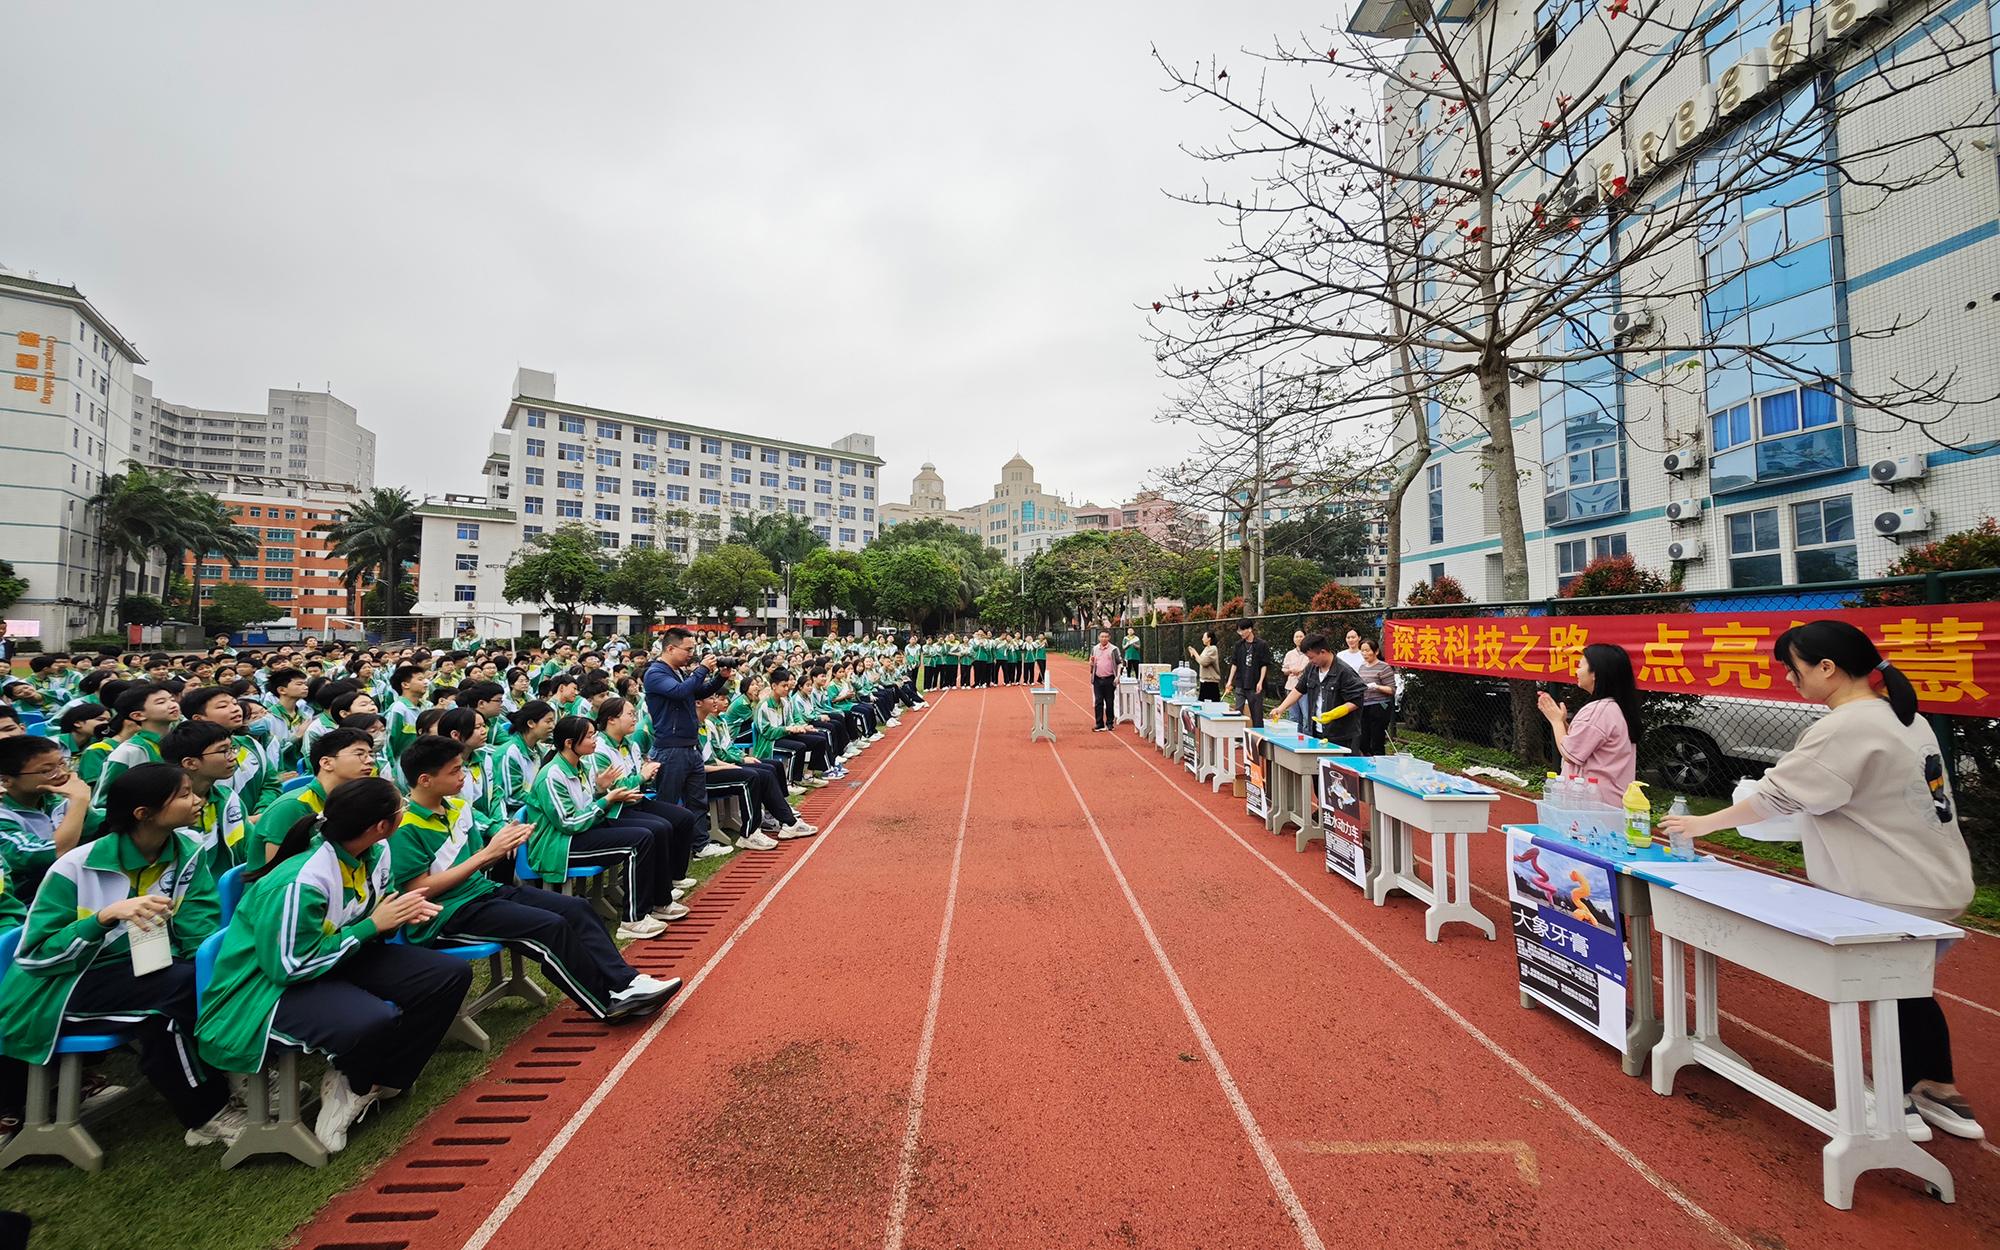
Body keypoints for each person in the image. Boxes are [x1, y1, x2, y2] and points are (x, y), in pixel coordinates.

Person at [1660, 620, 1980, 1140]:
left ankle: (1891, 1110)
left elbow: (1777, 796)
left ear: (1827, 668)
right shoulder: (1901, 716)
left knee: (1876, 991)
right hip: (1936, 880)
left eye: (1795, 668)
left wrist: (1701, 823)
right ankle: (1936, 1085)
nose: (1791, 679)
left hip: (1894, 888)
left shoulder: (1845, 726)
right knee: (1908, 988)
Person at [196, 776, 471, 1153]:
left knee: (447, 976)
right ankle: (352, 1084)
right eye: (400, 809)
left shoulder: (375, 851)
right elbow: (287, 967)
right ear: (380, 826)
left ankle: (374, 1081)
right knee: (371, 1020)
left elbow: (367, 907)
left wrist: (400, 910)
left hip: (337, 955)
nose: (406, 811)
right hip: (265, 986)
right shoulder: (301, 879)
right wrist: (374, 923)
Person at [0, 763, 240, 1149]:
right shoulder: (76, 867)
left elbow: (199, 924)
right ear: (143, 814)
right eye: (182, 795)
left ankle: (220, 1097)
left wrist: (210, 970)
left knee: (188, 992)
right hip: (60, 986)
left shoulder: (187, 848)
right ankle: (216, 1102)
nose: (197, 800)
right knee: (175, 992)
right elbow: (34, 956)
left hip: (141, 972)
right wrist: (101, 919)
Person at [391, 735, 681, 1022]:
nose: (463, 776)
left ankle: (626, 983)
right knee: (550, 926)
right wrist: (486, 855)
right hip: (446, 914)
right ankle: (606, 1002)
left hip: (483, 891)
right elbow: (419, 890)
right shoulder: (406, 827)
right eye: (454, 771)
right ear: (425, 779)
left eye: (462, 767)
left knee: (576, 908)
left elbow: (477, 859)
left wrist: (499, 848)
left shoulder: (457, 808)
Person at [524, 716, 692, 941]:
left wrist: (601, 791)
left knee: (655, 830)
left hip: (580, 831)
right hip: (559, 844)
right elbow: (568, 823)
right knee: (639, 841)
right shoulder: (552, 775)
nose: (595, 740)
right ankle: (633, 919)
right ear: (569, 743)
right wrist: (607, 800)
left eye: (594, 734)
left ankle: (660, 902)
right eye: (590, 736)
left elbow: (583, 806)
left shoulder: (578, 766)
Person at [642, 628, 731, 852]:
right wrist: (701, 670)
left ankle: (700, 844)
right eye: (688, 649)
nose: (692, 654)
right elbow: (681, 692)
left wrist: (721, 677)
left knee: (697, 801)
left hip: (690, 746)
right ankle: (668, 851)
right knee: (669, 804)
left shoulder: (678, 671)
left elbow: (697, 693)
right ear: (670, 648)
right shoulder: (656, 673)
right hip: (671, 748)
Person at [250, 727, 379, 864]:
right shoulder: (293, 806)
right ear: (326, 763)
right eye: (360, 754)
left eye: (371, 754)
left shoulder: (354, 802)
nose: (370, 760)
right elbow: (277, 871)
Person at [0, 735, 101, 902]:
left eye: (62, 763)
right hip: (28, 903)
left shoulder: (54, 799)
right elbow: (55, 852)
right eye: (47, 771)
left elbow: (103, 823)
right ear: (6, 780)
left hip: (69, 888)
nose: (61, 773)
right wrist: (79, 801)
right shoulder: (4, 816)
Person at [1536, 642, 1638, 791]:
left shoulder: (1598, 711)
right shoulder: (1615, 707)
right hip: (1610, 801)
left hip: (1592, 802)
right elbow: (1583, 743)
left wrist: (1556, 721)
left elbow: (1570, 754)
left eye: (1580, 666)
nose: (1576, 671)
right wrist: (1563, 723)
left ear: (1595, 673)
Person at [1269, 633, 1367, 750]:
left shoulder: (1344, 672)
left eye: (1311, 657)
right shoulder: (1311, 668)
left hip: (1340, 735)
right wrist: (1281, 708)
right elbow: (1299, 689)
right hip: (1316, 730)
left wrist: (1335, 713)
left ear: (1323, 652)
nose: (1310, 661)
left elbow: (1356, 700)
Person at [1225, 620, 1273, 729]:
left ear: (1250, 629)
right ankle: (1237, 737)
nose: (1240, 633)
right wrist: (1229, 681)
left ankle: (1258, 739)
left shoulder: (1262, 644)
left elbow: (1264, 665)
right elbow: (1234, 663)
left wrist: (1260, 681)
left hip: (1254, 684)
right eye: (1238, 631)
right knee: (1237, 711)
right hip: (1240, 683)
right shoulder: (1238, 645)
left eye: (1242, 630)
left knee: (1257, 714)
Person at [1354, 639, 1397, 756]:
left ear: (1376, 651)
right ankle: (1366, 765)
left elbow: (1391, 690)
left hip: (1380, 706)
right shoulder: (1362, 667)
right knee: (1363, 741)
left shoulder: (1384, 667)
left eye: (1367, 651)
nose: (1364, 654)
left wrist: (1376, 687)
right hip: (1364, 706)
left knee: (1376, 741)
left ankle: (1379, 766)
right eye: (1362, 651)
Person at [1089, 631, 1119, 732]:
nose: (1104, 639)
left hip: (1109, 678)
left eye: (1106, 637)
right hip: (1097, 679)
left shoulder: (1114, 649)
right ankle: (1099, 723)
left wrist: (1118, 676)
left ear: (1109, 637)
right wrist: (1091, 664)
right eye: (1102, 637)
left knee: (1109, 702)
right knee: (1098, 701)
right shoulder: (1095, 649)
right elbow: (1092, 662)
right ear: (1098, 638)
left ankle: (1110, 723)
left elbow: (1119, 663)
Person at [1281, 630, 1310, 733]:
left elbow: (1312, 667)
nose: (1299, 638)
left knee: (1307, 716)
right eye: (1296, 636)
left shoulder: (1309, 653)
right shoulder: (1289, 654)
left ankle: (1307, 740)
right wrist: (1290, 671)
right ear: (1293, 639)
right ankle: (1294, 738)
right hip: (1291, 687)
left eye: (1301, 636)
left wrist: (1301, 670)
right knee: (1293, 717)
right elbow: (1284, 669)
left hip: (1305, 689)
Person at [1188, 630, 1222, 702]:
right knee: (1202, 704)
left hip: (1211, 682)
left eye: (1204, 637)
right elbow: (1200, 660)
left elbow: (1203, 662)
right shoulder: (1206, 649)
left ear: (1209, 638)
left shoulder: (1213, 649)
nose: (1202, 639)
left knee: (1211, 706)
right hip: (1204, 681)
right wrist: (1193, 655)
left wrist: (1195, 652)